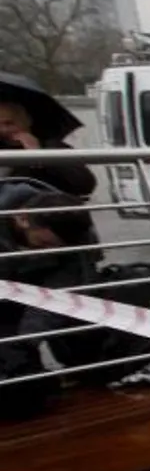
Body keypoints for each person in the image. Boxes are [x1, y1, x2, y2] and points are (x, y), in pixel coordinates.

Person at [0, 179, 97, 419]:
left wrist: (27, 338)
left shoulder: (76, 231)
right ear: (22, 219)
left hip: (36, 288)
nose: (46, 251)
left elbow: (64, 291)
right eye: (42, 244)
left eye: (55, 248)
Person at [0, 74, 97, 198]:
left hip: (43, 210)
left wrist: (38, 155)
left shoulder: (52, 146)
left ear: (28, 121)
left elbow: (85, 184)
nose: (3, 130)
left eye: (9, 123)